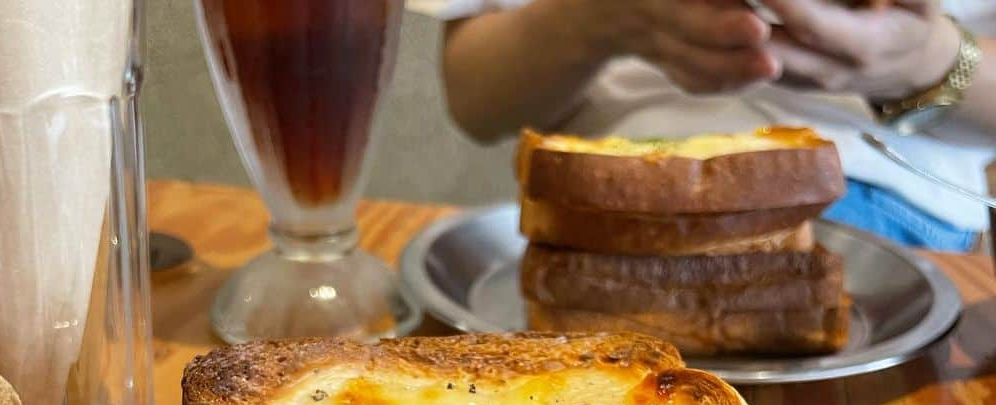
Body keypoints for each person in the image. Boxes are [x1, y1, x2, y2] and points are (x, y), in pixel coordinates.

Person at [411, 0, 996, 250]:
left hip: (892, 194)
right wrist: (595, 21)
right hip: (598, 184)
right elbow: (475, 100)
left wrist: (927, 63)